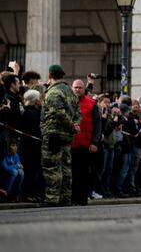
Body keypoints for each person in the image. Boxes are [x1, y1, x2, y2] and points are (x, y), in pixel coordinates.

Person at [40, 64, 79, 207]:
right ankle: (65, 198)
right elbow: (78, 112)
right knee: (65, 167)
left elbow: (58, 112)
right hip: (67, 136)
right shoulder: (70, 92)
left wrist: (71, 125)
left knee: (52, 167)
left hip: (53, 133)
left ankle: (52, 198)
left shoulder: (53, 92)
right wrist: (75, 126)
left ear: (50, 75)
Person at [68, 79, 100, 205]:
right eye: (75, 87)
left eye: (80, 87)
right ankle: (73, 198)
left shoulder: (92, 104)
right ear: (72, 88)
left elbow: (97, 126)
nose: (77, 90)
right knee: (72, 173)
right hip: (70, 143)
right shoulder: (67, 102)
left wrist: (95, 142)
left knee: (84, 172)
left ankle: (82, 199)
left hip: (86, 144)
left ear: (83, 89)